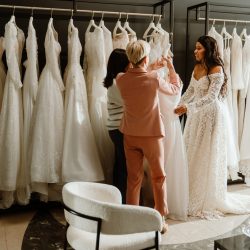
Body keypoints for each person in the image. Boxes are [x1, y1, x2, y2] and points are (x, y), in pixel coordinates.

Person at [174, 35, 250, 219]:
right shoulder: (197, 67)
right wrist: (177, 105)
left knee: (206, 155)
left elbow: (211, 97)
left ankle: (207, 197)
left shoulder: (217, 69)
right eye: (195, 47)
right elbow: (191, 91)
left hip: (211, 115)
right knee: (192, 153)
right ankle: (189, 193)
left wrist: (188, 108)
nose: (195, 51)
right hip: (196, 116)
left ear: (208, 50)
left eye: (199, 48)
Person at [116, 40, 180, 233]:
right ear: (145, 58)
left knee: (133, 179)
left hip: (130, 134)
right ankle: (160, 219)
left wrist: (151, 67)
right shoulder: (154, 79)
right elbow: (174, 89)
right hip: (151, 135)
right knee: (158, 176)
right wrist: (170, 68)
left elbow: (137, 76)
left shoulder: (120, 78)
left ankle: (131, 220)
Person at [103, 48, 130, 204]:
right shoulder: (115, 84)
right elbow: (129, 103)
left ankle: (120, 199)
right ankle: (123, 200)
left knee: (121, 164)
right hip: (119, 129)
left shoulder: (115, 82)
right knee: (124, 167)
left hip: (116, 128)